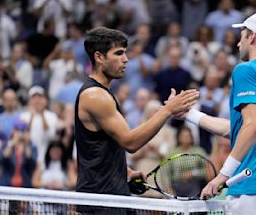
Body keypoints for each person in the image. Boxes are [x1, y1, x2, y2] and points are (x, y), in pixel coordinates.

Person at [178, 12, 256, 214]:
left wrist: (222, 175)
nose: (237, 43)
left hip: (252, 183)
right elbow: (240, 128)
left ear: (251, 36)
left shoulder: (246, 70)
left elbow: (253, 126)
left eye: (241, 35)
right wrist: (189, 114)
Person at [75, 27, 198, 200]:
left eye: (125, 53)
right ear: (99, 57)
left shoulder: (102, 93)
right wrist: (167, 110)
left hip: (112, 192)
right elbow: (130, 143)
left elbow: (100, 148)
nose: (125, 60)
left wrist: (125, 172)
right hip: (101, 198)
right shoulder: (95, 96)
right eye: (118, 53)